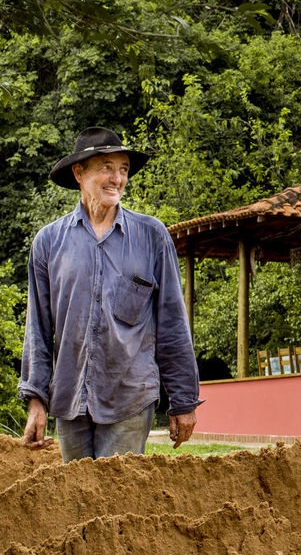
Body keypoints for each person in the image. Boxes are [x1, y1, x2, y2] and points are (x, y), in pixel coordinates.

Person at [19, 127, 201, 461]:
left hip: (130, 398)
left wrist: (183, 400)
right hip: (70, 399)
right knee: (77, 491)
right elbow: (38, 331)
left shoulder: (152, 236)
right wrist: (35, 399)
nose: (117, 178)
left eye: (123, 169)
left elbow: (173, 322)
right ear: (79, 173)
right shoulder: (49, 242)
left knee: (117, 491)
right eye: (106, 167)